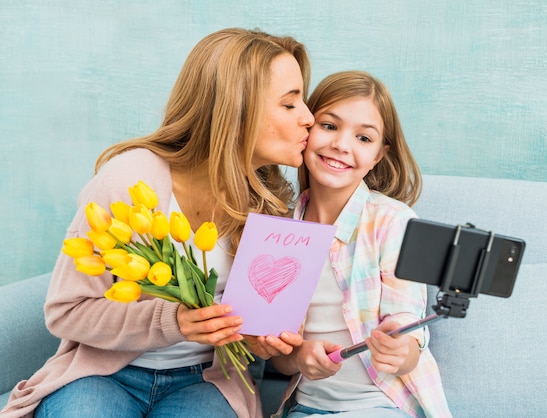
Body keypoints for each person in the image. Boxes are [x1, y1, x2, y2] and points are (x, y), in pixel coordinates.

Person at [0, 28, 313, 418]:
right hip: (106, 373)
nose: (308, 118)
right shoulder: (130, 180)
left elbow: (252, 333)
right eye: (289, 104)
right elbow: (66, 311)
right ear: (235, 110)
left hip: (206, 381)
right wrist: (174, 321)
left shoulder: (275, 206)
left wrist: (259, 340)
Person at [270, 71, 451, 417]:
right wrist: (298, 356)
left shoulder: (393, 222)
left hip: (383, 405)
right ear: (306, 129)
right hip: (307, 408)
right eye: (329, 126)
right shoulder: (280, 230)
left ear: (379, 156)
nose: (342, 145)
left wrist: (402, 350)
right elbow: (278, 355)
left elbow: (407, 325)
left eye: (364, 138)